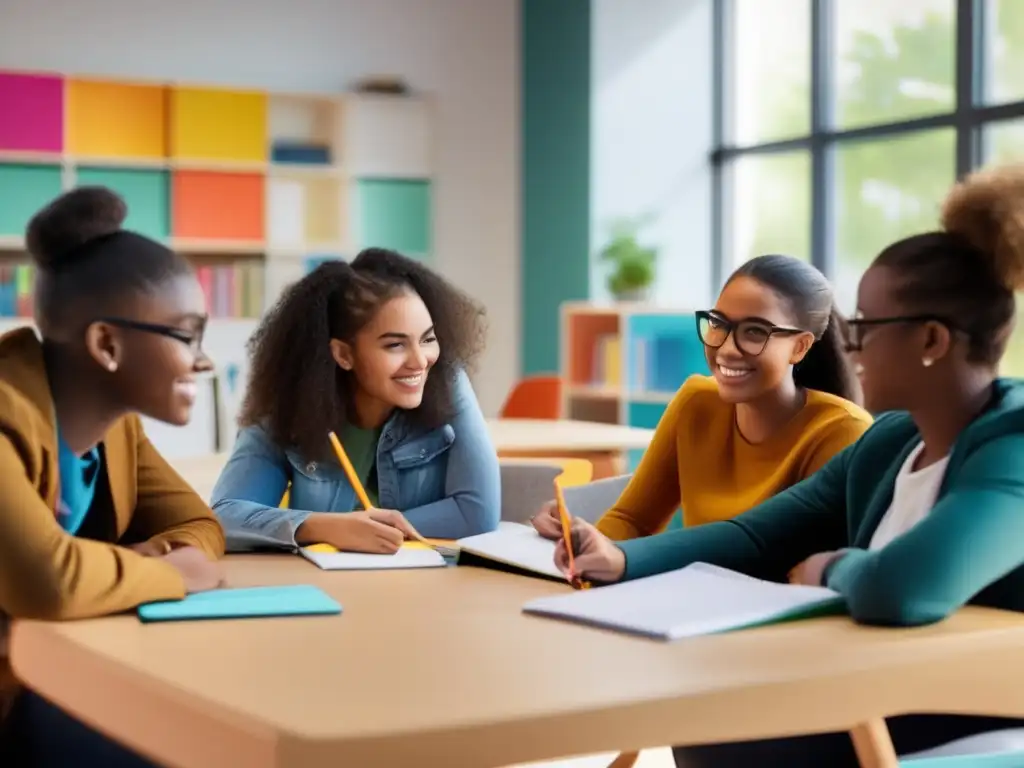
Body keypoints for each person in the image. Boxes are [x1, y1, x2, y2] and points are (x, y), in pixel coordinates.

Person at [558, 165, 1024, 766]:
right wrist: (621, 558)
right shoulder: (889, 443)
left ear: (933, 341)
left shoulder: (1013, 445)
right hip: (878, 687)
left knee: (724, 736)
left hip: (972, 713)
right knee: (706, 719)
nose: (849, 348)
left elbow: (900, 588)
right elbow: (758, 533)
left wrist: (832, 566)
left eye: (863, 327)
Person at [0, 187, 226, 766]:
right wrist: (167, 573)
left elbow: (197, 525)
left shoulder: (117, 430)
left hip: (60, 670)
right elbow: (49, 580)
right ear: (106, 344)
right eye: (186, 334)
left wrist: (154, 563)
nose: (202, 360)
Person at [532, 254, 871, 541]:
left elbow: (785, 556)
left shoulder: (841, 432)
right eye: (719, 324)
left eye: (754, 332)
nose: (726, 348)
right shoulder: (697, 401)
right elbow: (632, 519)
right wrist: (583, 545)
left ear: (800, 346)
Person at [211, 248, 500, 552]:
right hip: (326, 588)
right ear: (344, 354)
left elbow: (477, 513)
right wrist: (330, 527)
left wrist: (373, 528)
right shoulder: (291, 404)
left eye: (428, 339)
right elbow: (223, 518)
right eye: (395, 345)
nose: (420, 361)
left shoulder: (447, 381)